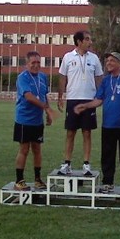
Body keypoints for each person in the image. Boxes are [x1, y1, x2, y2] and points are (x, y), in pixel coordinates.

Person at [74, 52, 120, 194]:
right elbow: (99, 100)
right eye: (107, 60)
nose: (108, 63)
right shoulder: (105, 81)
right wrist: (84, 106)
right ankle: (107, 182)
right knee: (107, 156)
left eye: (112, 60)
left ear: (119, 63)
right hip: (108, 125)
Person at [57, 30, 103, 176]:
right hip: (72, 99)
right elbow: (62, 77)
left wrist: (100, 97)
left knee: (87, 133)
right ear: (79, 41)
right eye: (87, 39)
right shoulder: (68, 57)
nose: (90, 42)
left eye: (90, 39)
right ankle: (67, 163)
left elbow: (99, 79)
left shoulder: (94, 58)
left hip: (89, 99)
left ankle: (86, 165)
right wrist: (60, 96)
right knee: (70, 132)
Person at [14, 51, 55, 191]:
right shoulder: (22, 78)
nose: (36, 65)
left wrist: (48, 112)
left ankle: (38, 179)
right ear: (27, 64)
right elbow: (29, 96)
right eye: (33, 63)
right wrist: (47, 109)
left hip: (38, 121)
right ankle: (19, 180)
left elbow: (44, 95)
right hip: (24, 120)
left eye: (38, 62)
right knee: (24, 149)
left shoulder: (43, 77)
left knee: (37, 149)